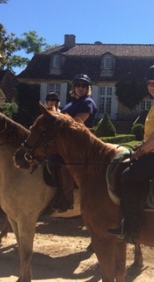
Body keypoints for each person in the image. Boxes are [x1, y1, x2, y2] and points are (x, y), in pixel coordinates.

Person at [107, 64, 154, 243]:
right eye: (149, 84)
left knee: (128, 176)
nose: (151, 87)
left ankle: (131, 228)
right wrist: (143, 145)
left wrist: (140, 152)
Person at [50, 74, 98, 212]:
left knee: (64, 164)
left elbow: (77, 122)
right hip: (67, 141)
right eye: (78, 85)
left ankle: (67, 200)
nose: (80, 88)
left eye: (84, 86)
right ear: (74, 87)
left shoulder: (87, 102)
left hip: (80, 143)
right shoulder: (71, 104)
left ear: (88, 88)